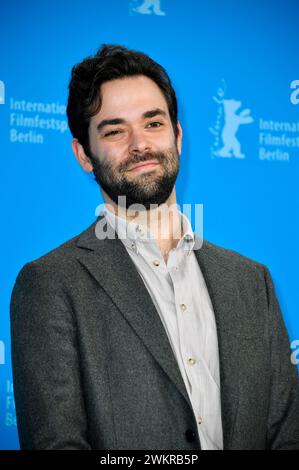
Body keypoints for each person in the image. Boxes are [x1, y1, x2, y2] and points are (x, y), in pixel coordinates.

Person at [10, 44, 299, 450]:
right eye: (114, 130)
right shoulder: (50, 285)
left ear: (177, 136)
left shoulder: (252, 282)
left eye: (153, 123)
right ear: (84, 155)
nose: (139, 144)